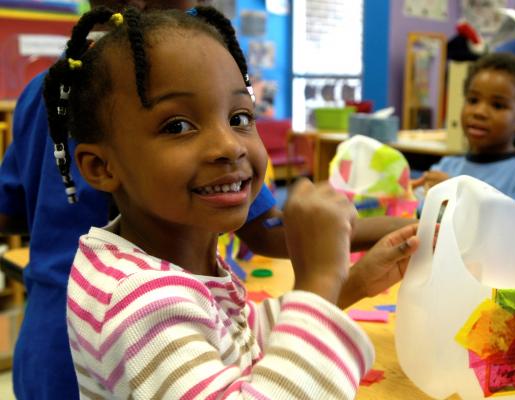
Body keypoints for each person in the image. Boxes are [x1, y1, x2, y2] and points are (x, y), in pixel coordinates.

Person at [0, 1, 413, 398]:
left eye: (240, 118)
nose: (228, 146)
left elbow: (236, 334)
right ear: (101, 167)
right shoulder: (140, 303)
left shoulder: (167, 264)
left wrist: (352, 282)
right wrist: (319, 281)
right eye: (177, 125)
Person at [412, 52, 515, 255]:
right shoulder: (446, 166)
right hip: (452, 276)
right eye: (472, 100)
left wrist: (461, 195)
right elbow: (423, 224)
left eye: (497, 105)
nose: (478, 111)